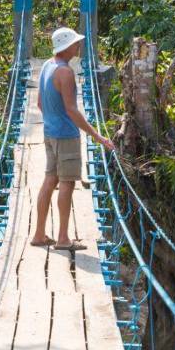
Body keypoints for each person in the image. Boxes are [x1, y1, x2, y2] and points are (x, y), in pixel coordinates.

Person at [30, 26, 115, 250]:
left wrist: (53, 120)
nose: (79, 45)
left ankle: (39, 234)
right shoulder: (65, 72)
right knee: (67, 183)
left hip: (49, 133)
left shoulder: (48, 65)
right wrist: (97, 136)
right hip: (66, 135)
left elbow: (39, 104)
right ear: (67, 46)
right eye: (76, 43)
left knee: (50, 180)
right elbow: (72, 110)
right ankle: (63, 239)